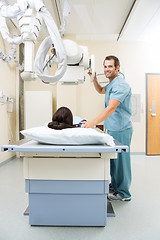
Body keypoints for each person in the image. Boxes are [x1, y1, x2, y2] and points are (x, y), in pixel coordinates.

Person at [82, 55, 133, 201]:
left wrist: (92, 123)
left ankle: (124, 194)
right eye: (105, 66)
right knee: (114, 160)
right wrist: (94, 79)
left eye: (110, 66)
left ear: (117, 68)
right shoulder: (112, 83)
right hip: (112, 128)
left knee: (122, 162)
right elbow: (100, 91)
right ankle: (116, 186)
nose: (107, 69)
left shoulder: (121, 85)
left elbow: (111, 108)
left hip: (121, 128)